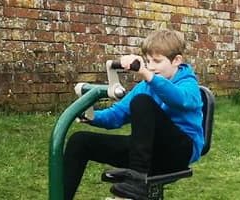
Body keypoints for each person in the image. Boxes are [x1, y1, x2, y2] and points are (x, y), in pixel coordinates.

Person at [64, 29, 205, 199]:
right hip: (147, 154)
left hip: (178, 153)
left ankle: (137, 181)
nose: (151, 66)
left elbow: (179, 99)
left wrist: (147, 74)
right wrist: (91, 116)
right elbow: (117, 115)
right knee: (80, 141)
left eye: (157, 61)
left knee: (142, 102)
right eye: (148, 61)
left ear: (176, 60)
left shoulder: (189, 84)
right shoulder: (145, 86)